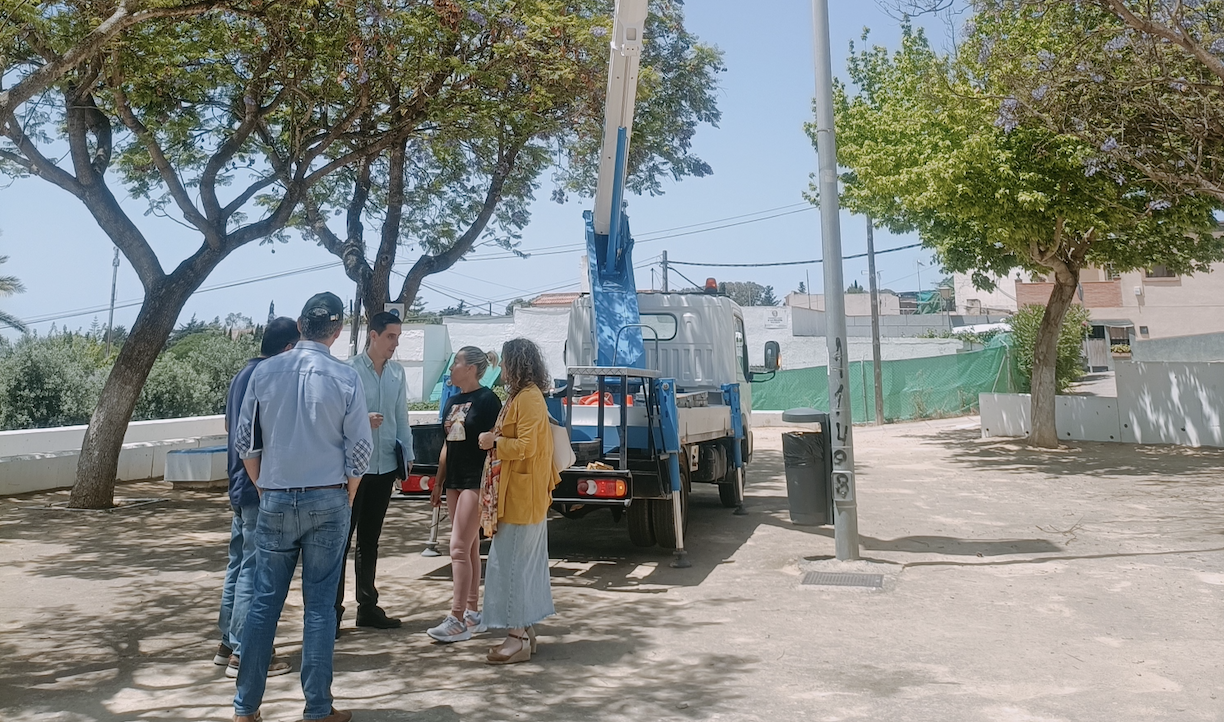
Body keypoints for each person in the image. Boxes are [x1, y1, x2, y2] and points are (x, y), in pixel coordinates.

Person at [232, 292, 372, 722]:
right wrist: (347, 493)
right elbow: (361, 449)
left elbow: (244, 441)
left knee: (263, 603)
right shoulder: (346, 377)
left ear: (299, 325)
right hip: (328, 496)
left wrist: (264, 484)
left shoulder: (264, 372)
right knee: (319, 607)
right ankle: (317, 708)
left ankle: (245, 708)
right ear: (337, 329)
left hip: (275, 495)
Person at [214, 316, 299, 680]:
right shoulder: (267, 377)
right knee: (255, 567)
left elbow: (232, 428)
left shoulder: (241, 375)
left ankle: (228, 643)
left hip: (238, 483)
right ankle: (245, 652)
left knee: (238, 564)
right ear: (289, 348)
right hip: (258, 485)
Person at [477, 338, 559, 664]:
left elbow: (525, 446)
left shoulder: (529, 398)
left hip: (522, 498)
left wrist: (492, 443)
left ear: (517, 363)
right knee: (518, 566)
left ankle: (516, 639)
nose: (501, 368)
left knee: (508, 566)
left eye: (506, 361)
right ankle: (524, 632)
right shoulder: (522, 396)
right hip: (519, 496)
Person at [335, 311, 413, 634]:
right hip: (355, 469)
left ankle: (367, 606)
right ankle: (331, 612)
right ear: (374, 336)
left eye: (398, 337)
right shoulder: (349, 371)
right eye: (390, 336)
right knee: (342, 541)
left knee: (371, 540)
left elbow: (402, 417)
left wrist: (407, 457)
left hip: (385, 467)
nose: (395, 343)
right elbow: (334, 417)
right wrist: (361, 420)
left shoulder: (397, 373)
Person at [426, 347, 502, 643]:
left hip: (476, 480)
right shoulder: (453, 401)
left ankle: (456, 617)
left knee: (457, 547)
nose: (451, 368)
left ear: (470, 368)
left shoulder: (487, 400)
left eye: (456, 362)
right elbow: (448, 445)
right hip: (455, 480)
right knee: (468, 547)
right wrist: (438, 482)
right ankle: (471, 611)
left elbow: (497, 440)